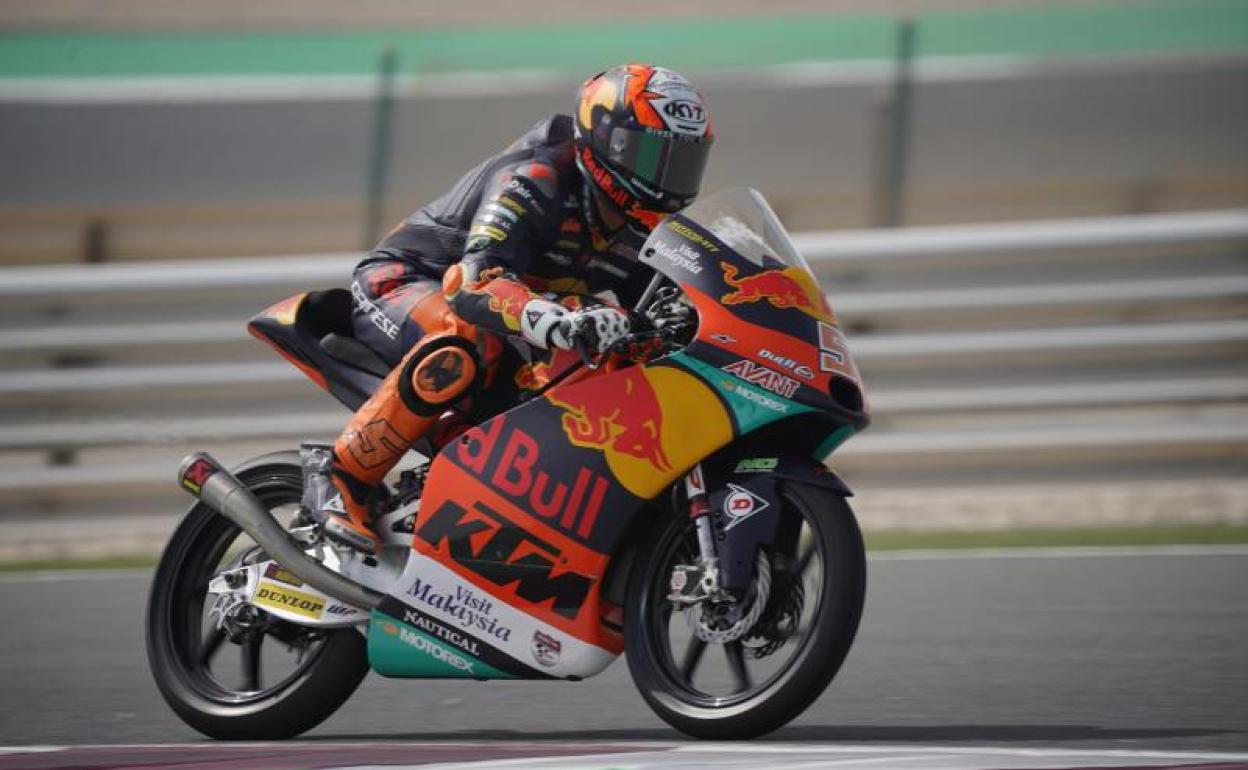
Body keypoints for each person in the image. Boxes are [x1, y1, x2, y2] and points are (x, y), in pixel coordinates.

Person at [301, 63, 715, 552]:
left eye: (680, 161)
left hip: (514, 314)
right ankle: (342, 474)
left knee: (626, 350)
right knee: (468, 339)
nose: (665, 178)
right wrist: (558, 319)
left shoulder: (643, 227)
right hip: (405, 283)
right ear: (608, 140)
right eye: (653, 155)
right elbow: (473, 284)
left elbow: (671, 306)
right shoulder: (535, 178)